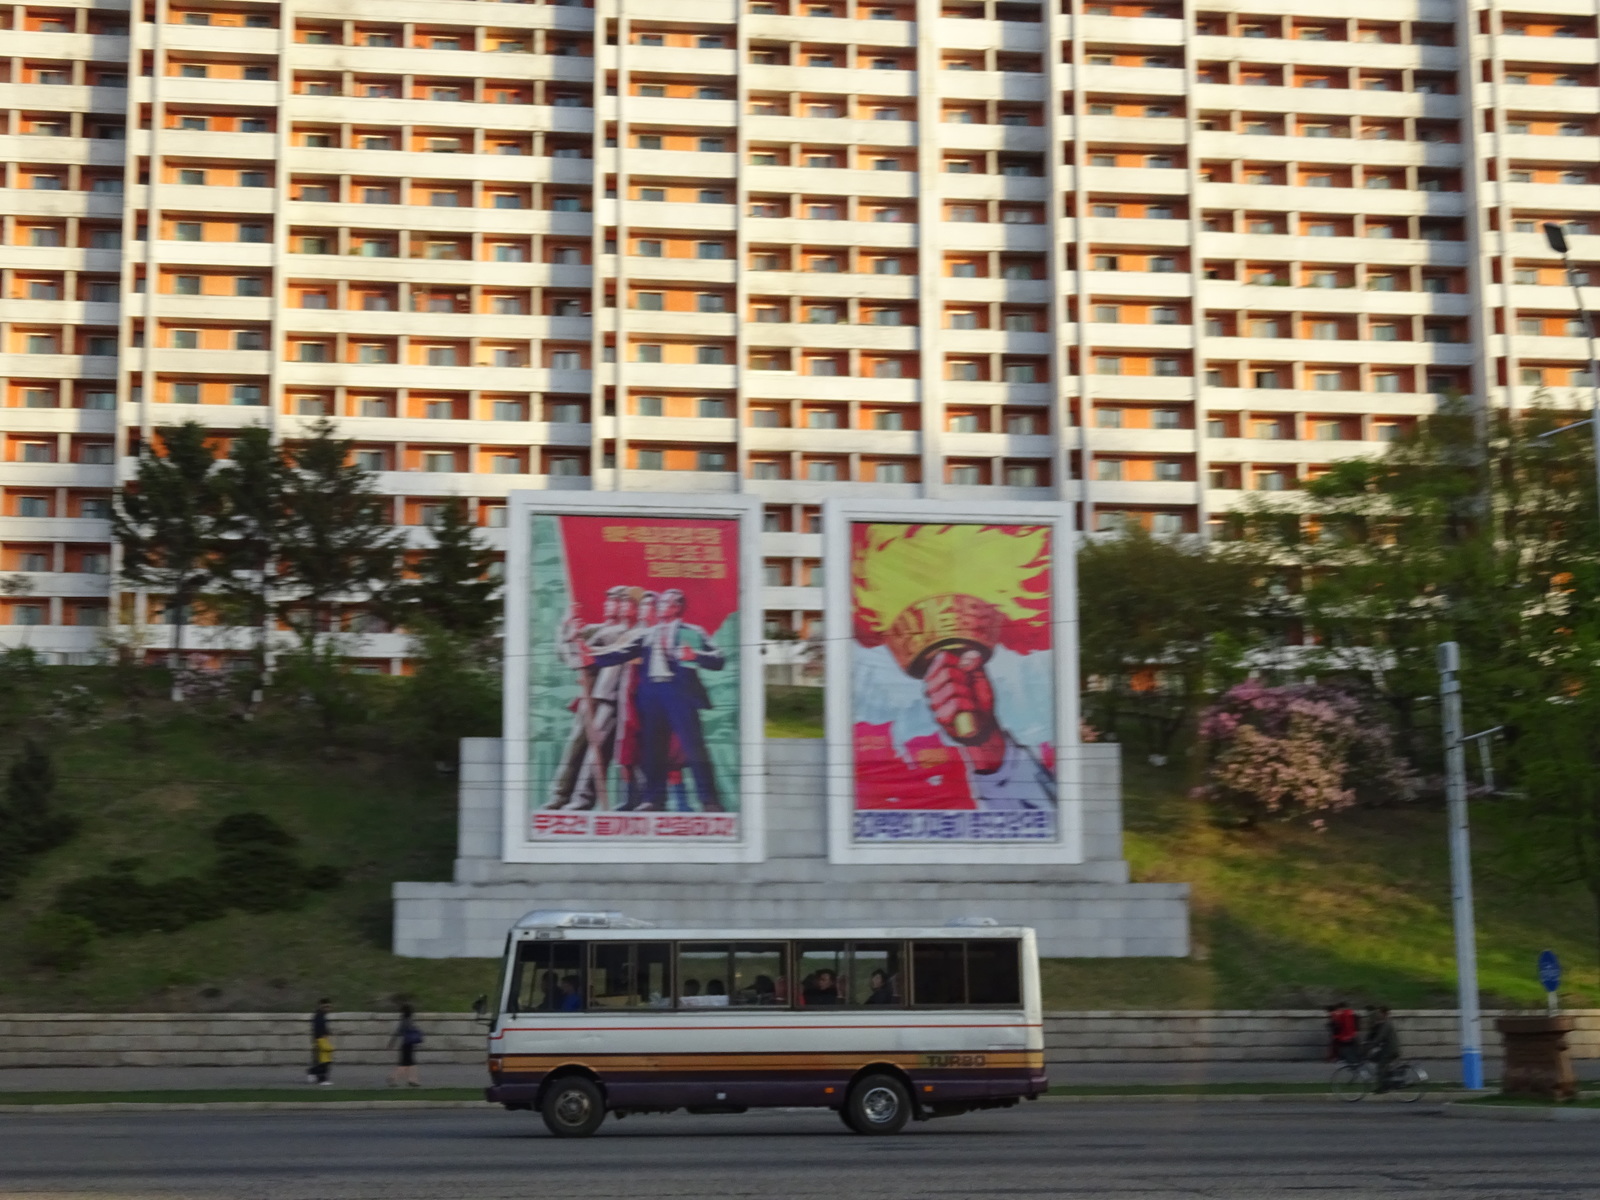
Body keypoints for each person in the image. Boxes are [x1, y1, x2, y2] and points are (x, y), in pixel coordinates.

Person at [587, 589, 725, 813]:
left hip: (680, 695)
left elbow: (719, 658)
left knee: (694, 747)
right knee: (653, 750)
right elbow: (622, 651)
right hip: (652, 697)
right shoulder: (648, 634)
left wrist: (696, 656)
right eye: (659, 604)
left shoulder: (693, 632)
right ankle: (653, 799)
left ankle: (709, 800)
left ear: (677, 607)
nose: (659, 607)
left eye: (665, 604)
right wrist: (592, 657)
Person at [548, 587, 637, 811]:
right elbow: (567, 655)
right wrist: (566, 628)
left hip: (609, 697)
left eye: (617, 601)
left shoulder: (620, 633)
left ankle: (581, 798)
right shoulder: (596, 630)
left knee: (600, 751)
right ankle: (561, 795)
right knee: (577, 745)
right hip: (591, 696)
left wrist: (573, 640)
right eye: (610, 600)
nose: (611, 605)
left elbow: (581, 657)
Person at [387, 1003, 423, 1088]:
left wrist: (391, 1043)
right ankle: (394, 1078)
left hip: (405, 1044)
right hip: (408, 1045)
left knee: (410, 1063)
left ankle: (412, 1080)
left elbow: (397, 1033)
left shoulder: (403, 1021)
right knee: (405, 1064)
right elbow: (413, 1033)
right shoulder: (408, 1021)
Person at [1365, 1006, 1401, 1090]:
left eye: (1379, 1013)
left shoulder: (1387, 1024)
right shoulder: (1385, 1023)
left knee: (1380, 1066)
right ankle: (1386, 1077)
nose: (1378, 1015)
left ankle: (1381, 1087)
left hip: (1390, 1050)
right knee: (1374, 1058)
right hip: (1388, 1049)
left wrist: (1370, 1047)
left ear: (1384, 1013)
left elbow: (1380, 1038)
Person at [306, 999, 333, 1086]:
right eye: (326, 1007)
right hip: (321, 1040)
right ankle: (321, 1079)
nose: (328, 1009)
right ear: (321, 1006)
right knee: (324, 1061)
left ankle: (313, 1072)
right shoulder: (319, 1016)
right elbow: (319, 1030)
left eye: (329, 1007)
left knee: (321, 1060)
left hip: (321, 1040)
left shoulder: (320, 1016)